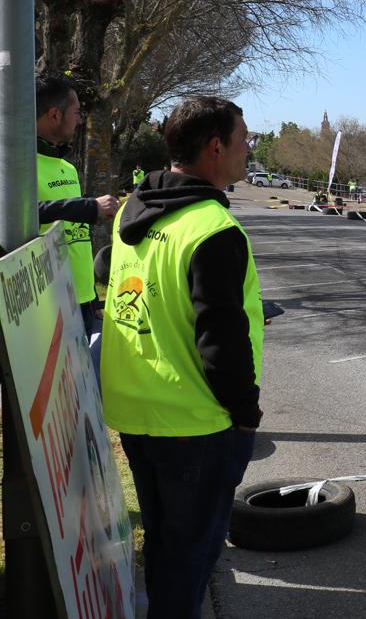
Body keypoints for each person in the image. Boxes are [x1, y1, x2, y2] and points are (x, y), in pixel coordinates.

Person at [101, 96, 262, 619]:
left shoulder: (132, 207)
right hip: (194, 422)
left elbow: (117, 274)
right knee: (190, 557)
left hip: (135, 410)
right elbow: (221, 340)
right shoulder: (213, 229)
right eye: (244, 139)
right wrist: (244, 415)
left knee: (167, 546)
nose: (248, 148)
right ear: (216, 147)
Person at [35, 75, 118, 349]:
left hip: (82, 302)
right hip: (45, 306)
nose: (80, 120)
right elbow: (21, 216)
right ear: (55, 115)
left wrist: (91, 295)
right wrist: (86, 207)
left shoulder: (67, 167)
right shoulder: (18, 165)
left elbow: (77, 239)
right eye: (77, 112)